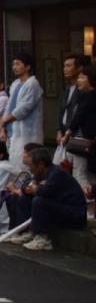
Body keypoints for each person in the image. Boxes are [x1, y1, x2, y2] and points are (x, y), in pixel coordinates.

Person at [4, 147, 88, 251]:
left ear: (41, 165)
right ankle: (27, 232)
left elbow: (43, 192)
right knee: (24, 198)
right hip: (58, 207)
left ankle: (42, 239)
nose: (30, 169)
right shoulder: (40, 173)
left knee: (39, 201)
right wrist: (34, 188)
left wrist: (36, 188)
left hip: (74, 213)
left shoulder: (57, 173)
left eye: (31, 166)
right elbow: (27, 188)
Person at [61, 63, 96, 218]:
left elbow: (78, 117)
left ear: (91, 79)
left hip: (84, 141)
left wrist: (68, 132)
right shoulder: (84, 95)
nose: (79, 80)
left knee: (80, 173)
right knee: (86, 173)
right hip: (87, 141)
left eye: (82, 77)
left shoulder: (90, 96)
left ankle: (87, 208)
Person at [0, 52, 43, 166]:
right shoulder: (15, 84)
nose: (14, 67)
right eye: (13, 64)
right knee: (14, 163)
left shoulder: (33, 84)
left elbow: (23, 109)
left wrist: (5, 120)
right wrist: (3, 128)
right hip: (12, 131)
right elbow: (9, 106)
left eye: (18, 64)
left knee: (26, 165)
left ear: (28, 67)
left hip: (28, 133)